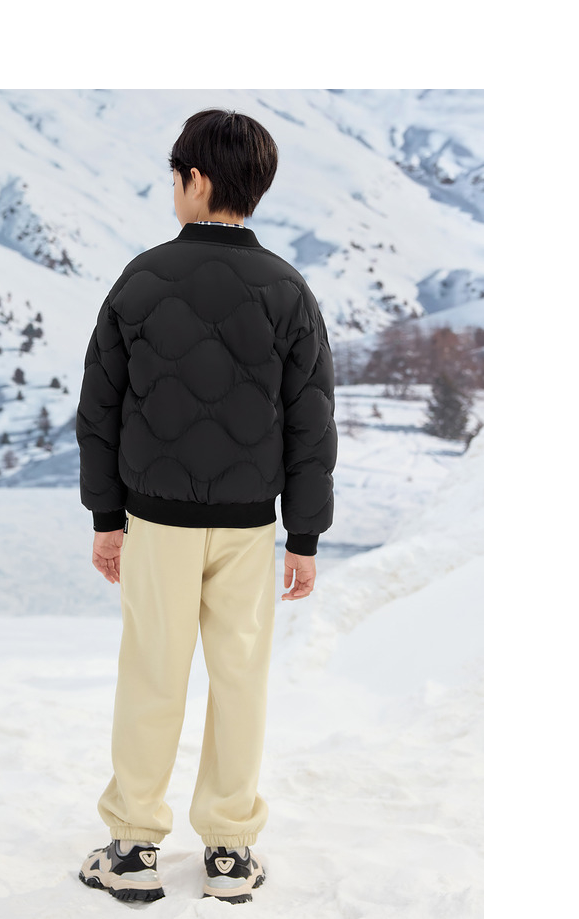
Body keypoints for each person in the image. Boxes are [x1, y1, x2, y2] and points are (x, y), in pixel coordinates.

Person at [75, 108, 337, 904]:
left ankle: (132, 847)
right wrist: (304, 535)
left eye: (175, 176)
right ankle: (229, 849)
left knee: (152, 673)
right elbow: (312, 421)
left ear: (194, 180)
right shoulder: (288, 288)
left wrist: (106, 518)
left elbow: (100, 410)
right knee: (241, 678)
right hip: (251, 526)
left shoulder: (142, 278)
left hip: (157, 522)